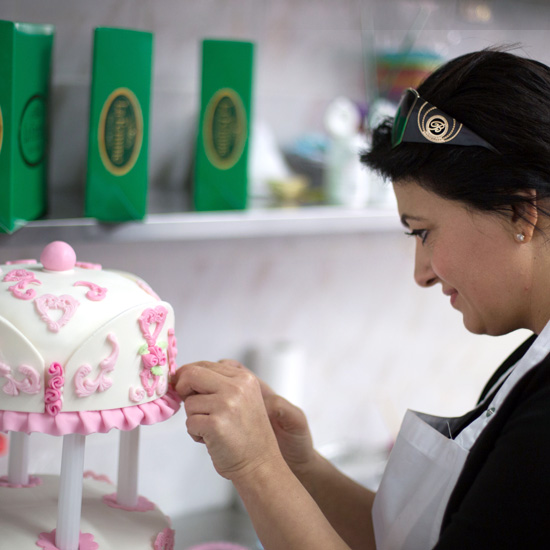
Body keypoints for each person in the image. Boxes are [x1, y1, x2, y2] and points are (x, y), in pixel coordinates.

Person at [174, 48, 550, 549]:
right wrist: (299, 466)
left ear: (519, 213)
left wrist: (256, 467)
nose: (422, 274)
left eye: (423, 232)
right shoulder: (531, 361)